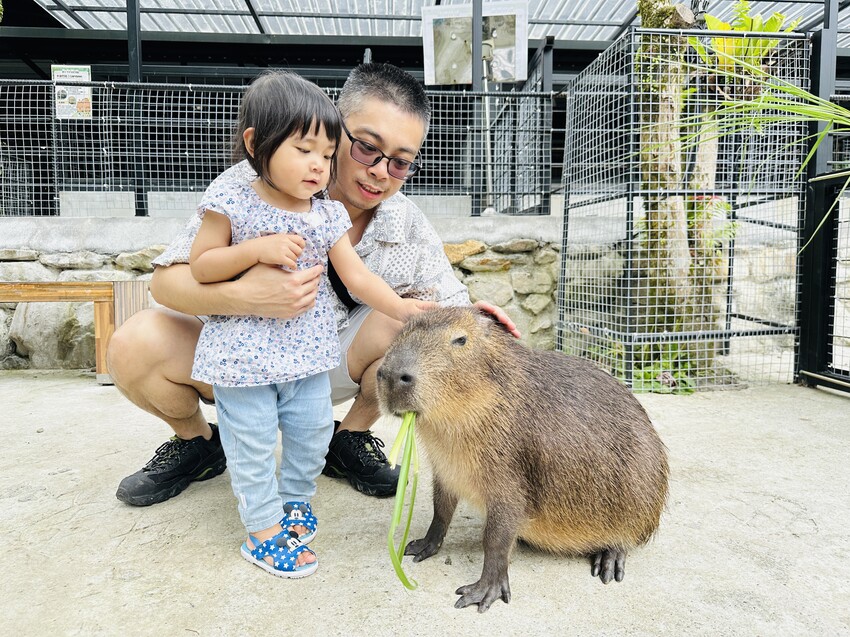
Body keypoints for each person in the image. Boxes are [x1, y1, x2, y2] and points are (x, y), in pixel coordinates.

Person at [107, 62, 519, 510]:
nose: (381, 171)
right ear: (334, 129)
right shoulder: (245, 188)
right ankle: (199, 443)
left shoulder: (408, 222)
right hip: (242, 355)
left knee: (410, 317)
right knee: (133, 343)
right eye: (366, 148)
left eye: (400, 162)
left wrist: (477, 321)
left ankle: (348, 440)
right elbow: (166, 282)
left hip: (325, 361)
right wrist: (242, 296)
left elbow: (448, 304)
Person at [185, 70, 434, 577]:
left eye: (325, 154)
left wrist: (406, 309)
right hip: (243, 358)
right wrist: (253, 252)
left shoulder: (325, 214)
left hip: (306, 355)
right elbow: (200, 266)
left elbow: (358, 277)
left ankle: (296, 499)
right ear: (257, 144)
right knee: (252, 441)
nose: (319, 166)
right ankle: (261, 530)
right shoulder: (233, 196)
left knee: (312, 431)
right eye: (305, 151)